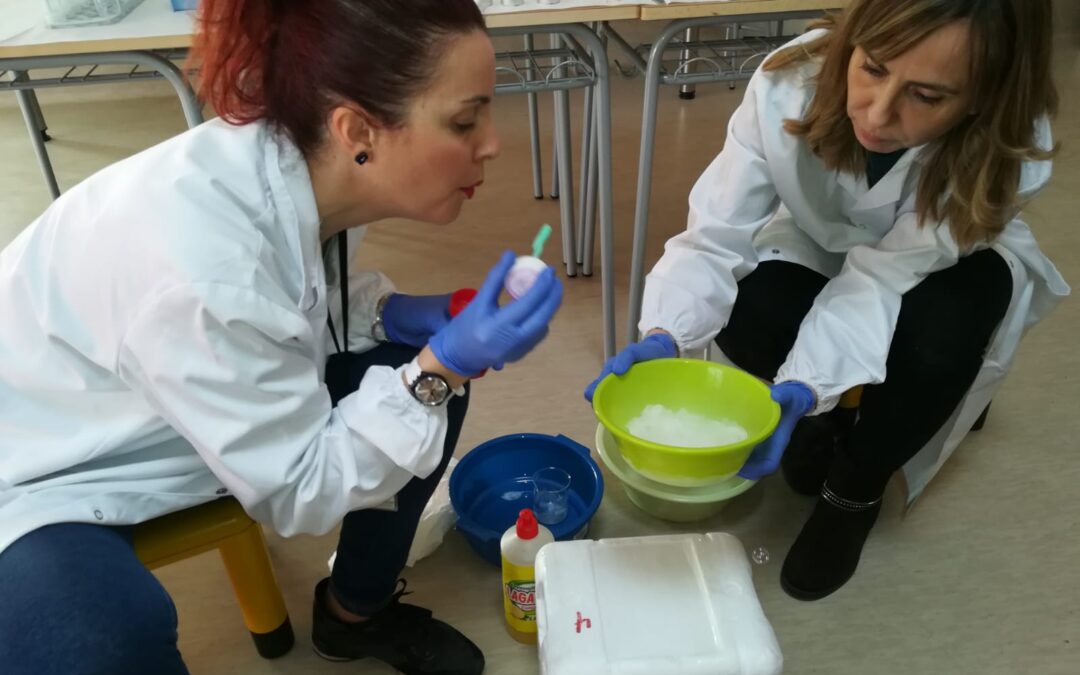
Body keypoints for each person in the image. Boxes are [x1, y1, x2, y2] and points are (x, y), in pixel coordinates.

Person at [0, 1, 563, 673]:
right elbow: (298, 491)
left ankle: (355, 613)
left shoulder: (301, 156)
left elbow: (296, 297)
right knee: (97, 644)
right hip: (35, 470)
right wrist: (442, 363)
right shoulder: (205, 266)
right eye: (465, 120)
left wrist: (407, 315)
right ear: (358, 128)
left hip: (161, 395)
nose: (492, 143)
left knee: (426, 388)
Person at [587, 0, 1067, 601]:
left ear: (981, 98)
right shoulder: (787, 84)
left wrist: (807, 379)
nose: (879, 113)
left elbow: (879, 279)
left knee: (940, 336)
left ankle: (855, 488)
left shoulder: (1008, 147)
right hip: (819, 237)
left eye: (927, 96)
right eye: (872, 68)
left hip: (944, 267)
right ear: (852, 43)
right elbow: (715, 236)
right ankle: (832, 421)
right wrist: (666, 335)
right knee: (750, 306)